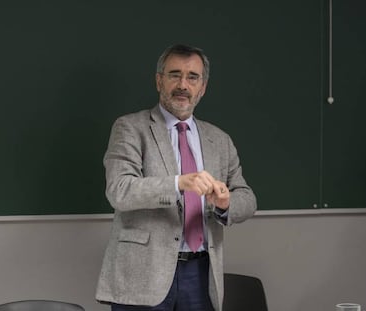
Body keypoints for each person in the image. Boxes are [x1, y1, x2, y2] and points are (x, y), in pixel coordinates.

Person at [95, 44, 257, 311]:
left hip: (202, 273)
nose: (183, 84)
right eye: (175, 75)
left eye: (192, 77)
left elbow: (248, 199)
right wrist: (178, 183)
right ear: (160, 81)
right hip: (143, 275)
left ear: (202, 87)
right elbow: (119, 189)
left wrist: (225, 203)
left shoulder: (220, 140)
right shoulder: (130, 128)